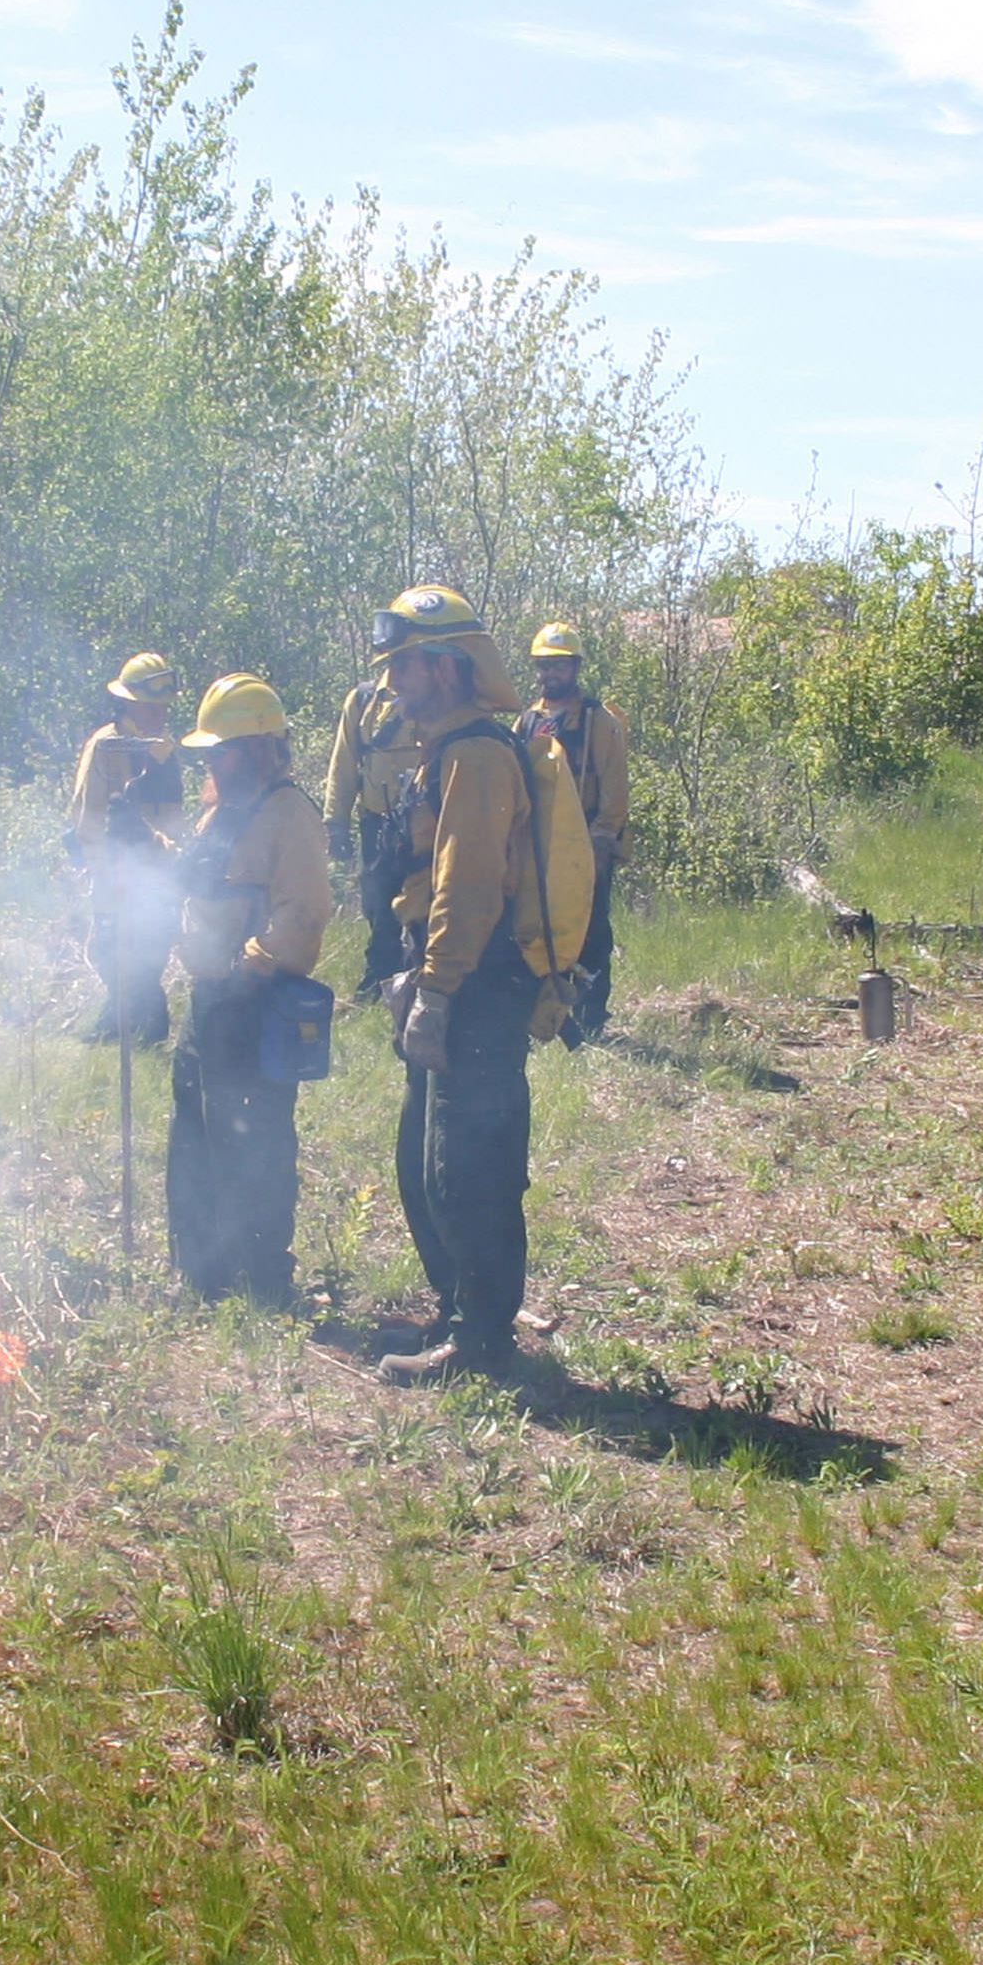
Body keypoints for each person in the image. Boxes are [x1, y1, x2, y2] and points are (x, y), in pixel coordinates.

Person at [362, 584, 572, 1384]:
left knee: (469, 1168)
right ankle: (462, 1313)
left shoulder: (478, 757)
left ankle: (483, 1345)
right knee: (424, 1166)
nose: (393, 687)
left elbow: (471, 885)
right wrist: (412, 974)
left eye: (406, 669)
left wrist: (440, 990)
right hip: (447, 972)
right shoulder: (444, 751)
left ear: (446, 671)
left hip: (480, 987)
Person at [161, 674, 334, 1307]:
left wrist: (248, 969)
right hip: (208, 999)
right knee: (196, 1136)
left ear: (261, 747)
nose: (212, 761)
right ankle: (203, 1271)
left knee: (253, 1143)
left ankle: (262, 1280)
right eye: (209, 751)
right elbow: (198, 879)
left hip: (254, 1001)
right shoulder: (219, 808)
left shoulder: (290, 814)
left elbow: (303, 917)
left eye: (224, 749)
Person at [65, 651, 185, 1042]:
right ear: (128, 702)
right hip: (115, 873)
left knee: (150, 949)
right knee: (107, 948)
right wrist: (109, 875)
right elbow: (88, 817)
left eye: (162, 707)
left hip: (155, 870)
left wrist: (167, 867)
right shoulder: (105, 746)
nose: (159, 714)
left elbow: (172, 817)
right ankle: (122, 1018)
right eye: (151, 707)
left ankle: (144, 1027)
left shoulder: (164, 750)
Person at [525, 621, 632, 1042]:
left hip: (586, 844)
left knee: (591, 934)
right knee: (538, 930)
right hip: (540, 843)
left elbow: (615, 787)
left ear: (575, 668)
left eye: (560, 666)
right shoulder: (529, 719)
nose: (551, 674)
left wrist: (603, 839)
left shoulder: (599, 722)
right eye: (544, 666)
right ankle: (544, 1017)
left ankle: (590, 1020)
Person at [320, 657, 425, 998]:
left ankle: (422, 977)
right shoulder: (364, 700)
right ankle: (380, 979)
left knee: (424, 902)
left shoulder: (432, 698)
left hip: (424, 824)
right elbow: (345, 763)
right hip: (377, 824)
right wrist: (336, 822)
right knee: (378, 907)